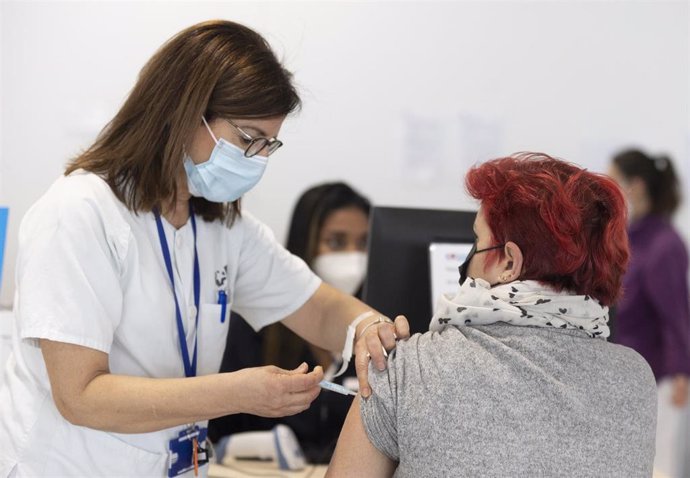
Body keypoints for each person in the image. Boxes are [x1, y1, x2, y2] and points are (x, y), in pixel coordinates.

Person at [0, 20, 407, 477]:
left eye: (268, 145)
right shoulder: (79, 213)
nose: (256, 161)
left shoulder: (221, 226)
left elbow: (314, 306)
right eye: (248, 140)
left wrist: (366, 328)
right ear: (186, 113)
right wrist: (238, 392)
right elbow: (80, 396)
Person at [327, 153, 657, 477]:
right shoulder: (635, 379)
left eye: (477, 240)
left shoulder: (406, 370)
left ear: (509, 264)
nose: (467, 259)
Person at [208, 182, 371, 463]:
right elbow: (216, 433)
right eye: (336, 242)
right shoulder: (249, 329)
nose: (353, 257)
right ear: (304, 243)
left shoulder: (373, 332)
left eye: (363, 244)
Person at [608, 149, 690, 478]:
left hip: (661, 381)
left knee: (660, 469)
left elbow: (676, 316)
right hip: (628, 379)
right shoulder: (627, 239)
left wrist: (680, 374)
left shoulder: (664, 244)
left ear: (635, 187)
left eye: (613, 182)